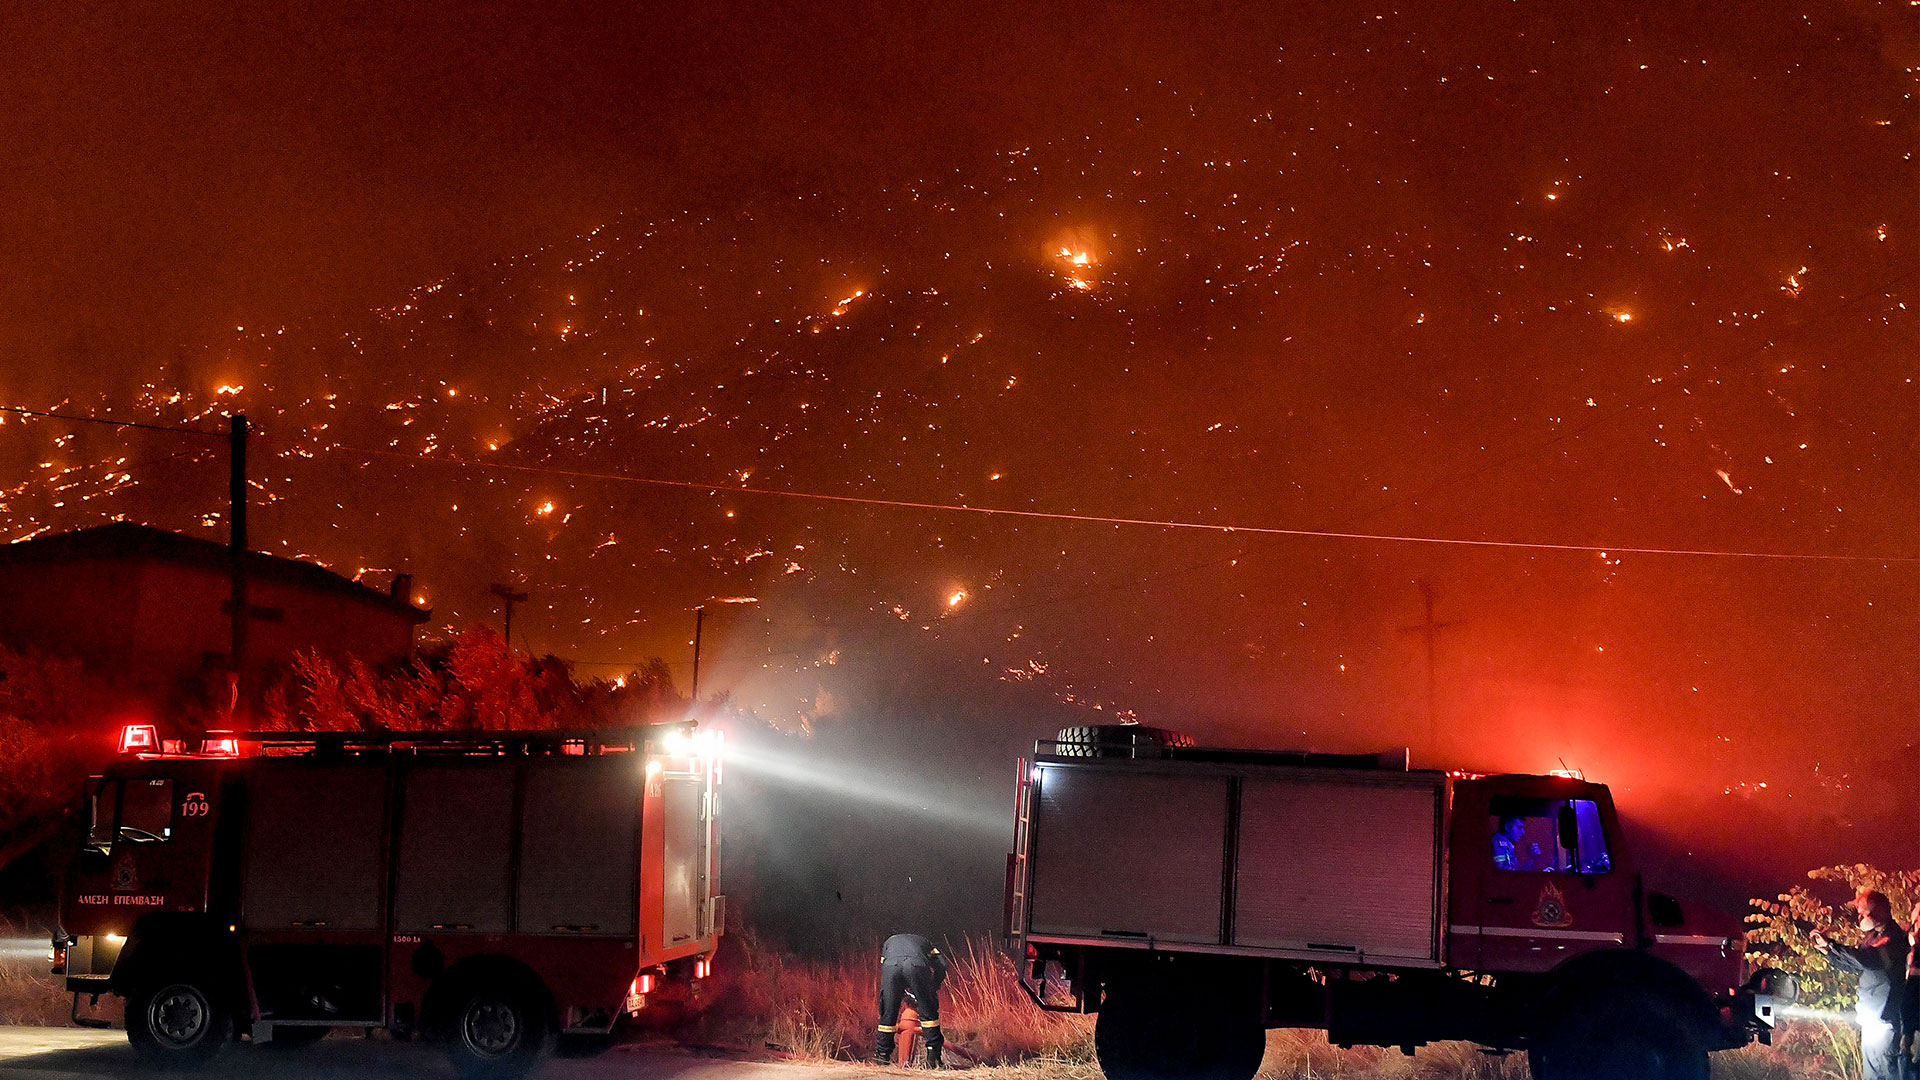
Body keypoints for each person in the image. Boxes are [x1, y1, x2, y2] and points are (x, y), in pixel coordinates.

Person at [1812, 889, 1907, 1080]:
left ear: (1878, 911)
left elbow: (1868, 959)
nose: (1860, 915)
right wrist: (1827, 951)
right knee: (1872, 1075)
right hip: (1873, 1019)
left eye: (1863, 911)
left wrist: (1832, 946)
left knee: (1887, 1072)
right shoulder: (1874, 937)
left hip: (1885, 1020)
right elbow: (1854, 964)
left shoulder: (1894, 938)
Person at [875, 933, 948, 1068]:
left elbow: (889, 966)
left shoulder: (889, 941)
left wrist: (900, 992)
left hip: (890, 966)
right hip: (915, 965)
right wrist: (933, 985)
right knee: (928, 1011)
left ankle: (882, 1056)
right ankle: (933, 1058)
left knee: (888, 1012)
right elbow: (942, 965)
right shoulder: (926, 941)